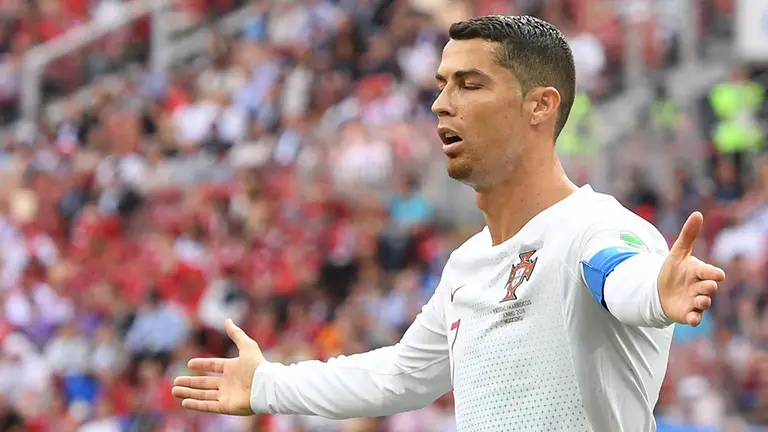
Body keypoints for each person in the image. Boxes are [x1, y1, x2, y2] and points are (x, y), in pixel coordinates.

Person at [171, 15, 726, 431]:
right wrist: (267, 384)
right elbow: (399, 376)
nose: (440, 103)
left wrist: (656, 291)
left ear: (540, 105)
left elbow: (618, 274)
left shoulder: (593, 228)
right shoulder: (467, 264)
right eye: (441, 84)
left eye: (470, 84)